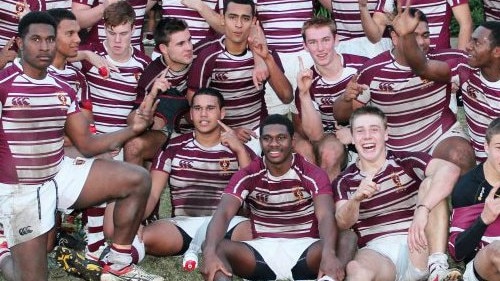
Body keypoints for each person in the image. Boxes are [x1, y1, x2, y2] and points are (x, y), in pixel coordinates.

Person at [0, 11, 163, 281]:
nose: (44, 47)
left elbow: (86, 144)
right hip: (21, 190)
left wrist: (132, 129)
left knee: (137, 178)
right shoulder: (5, 85)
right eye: (36, 39)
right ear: (19, 42)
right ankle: (3, 253)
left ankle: (118, 263)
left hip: (58, 173)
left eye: (50, 39)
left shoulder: (62, 86)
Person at [201, 114, 357, 281]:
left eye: (281, 138)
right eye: (267, 138)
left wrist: (328, 254)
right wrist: (209, 252)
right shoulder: (249, 174)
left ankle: (327, 279)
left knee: (347, 238)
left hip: (305, 249)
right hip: (261, 251)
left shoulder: (312, 173)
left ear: (292, 140)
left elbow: (325, 215)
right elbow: (223, 213)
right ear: (260, 142)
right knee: (212, 247)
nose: (274, 144)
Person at [333, 106, 462, 281]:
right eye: (360, 131)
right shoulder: (344, 180)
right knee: (356, 268)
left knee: (433, 182)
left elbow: (450, 170)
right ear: (353, 138)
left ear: (386, 134)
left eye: (374, 129)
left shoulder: (406, 161)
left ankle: (437, 267)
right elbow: (341, 222)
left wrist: (422, 209)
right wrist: (356, 199)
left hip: (417, 244)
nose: (367, 136)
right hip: (378, 253)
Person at [138, 87, 255, 271]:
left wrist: (240, 150)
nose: (203, 114)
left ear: (222, 113)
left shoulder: (239, 149)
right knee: (143, 238)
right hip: (183, 225)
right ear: (191, 114)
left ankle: (216, 248)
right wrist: (136, 222)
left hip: (228, 225)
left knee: (260, 233)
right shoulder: (172, 147)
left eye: (210, 108)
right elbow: (152, 194)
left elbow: (253, 191)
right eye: (198, 108)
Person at [350, 7, 476, 175]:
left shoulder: (447, 60)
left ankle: (467, 200)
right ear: (395, 37)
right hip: (394, 147)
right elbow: (354, 112)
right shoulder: (371, 71)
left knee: (461, 155)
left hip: (439, 135)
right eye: (413, 35)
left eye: (425, 35)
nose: (422, 42)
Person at [392, 3, 500, 163]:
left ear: (497, 52)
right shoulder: (463, 68)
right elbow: (422, 68)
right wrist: (407, 35)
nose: (468, 47)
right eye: (470, 40)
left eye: (477, 43)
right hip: (480, 166)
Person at [187, 0, 293, 154]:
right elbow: (193, 110)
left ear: (253, 21)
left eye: (245, 18)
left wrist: (267, 59)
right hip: (218, 133)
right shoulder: (208, 56)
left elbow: (287, 96)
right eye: (232, 17)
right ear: (223, 19)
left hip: (256, 132)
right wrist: (229, 131)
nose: (238, 25)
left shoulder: (263, 53)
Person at [294, 16, 368, 180]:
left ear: (336, 40)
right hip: (331, 137)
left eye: (326, 40)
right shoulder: (307, 81)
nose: (320, 48)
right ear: (305, 46)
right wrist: (304, 94)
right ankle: (328, 202)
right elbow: (315, 136)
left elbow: (382, 108)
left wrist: (355, 132)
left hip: (366, 129)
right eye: (313, 42)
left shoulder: (361, 67)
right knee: (329, 152)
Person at [448, 117, 500, 281]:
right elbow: (457, 251)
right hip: (484, 265)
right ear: (486, 147)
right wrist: (484, 219)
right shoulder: (469, 187)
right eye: (499, 148)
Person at [356, 0, 473, 50]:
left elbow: (466, 24)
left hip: (439, 61)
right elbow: (375, 37)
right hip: (407, 63)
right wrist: (363, 7)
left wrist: (459, 64)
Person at [71, 0, 158, 50]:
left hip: (135, 57)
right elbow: (76, 20)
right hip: (98, 56)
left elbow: (141, 9)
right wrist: (104, 7)